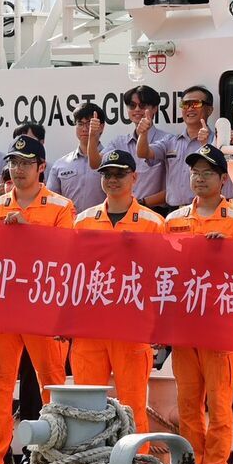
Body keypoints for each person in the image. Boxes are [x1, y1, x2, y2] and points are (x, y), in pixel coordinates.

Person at [0, 136, 75, 464]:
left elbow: (66, 255)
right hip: (3, 309)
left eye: (25, 163)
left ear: (41, 167)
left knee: (51, 383)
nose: (18, 169)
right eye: (14, 162)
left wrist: (28, 230)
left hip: (42, 308)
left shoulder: (61, 207)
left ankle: (56, 455)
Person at [164, 144, 233, 464]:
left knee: (219, 402)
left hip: (221, 326)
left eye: (207, 173)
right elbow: (161, 270)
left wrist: (227, 251)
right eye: (195, 173)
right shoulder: (173, 220)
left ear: (222, 180)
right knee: (188, 403)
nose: (199, 179)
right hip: (184, 326)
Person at [71, 150, 164, 432]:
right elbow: (70, 274)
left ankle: (136, 458)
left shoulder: (153, 223)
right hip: (90, 328)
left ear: (134, 177)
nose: (112, 179)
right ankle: (89, 460)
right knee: (85, 408)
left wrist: (160, 326)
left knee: (132, 406)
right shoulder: (82, 221)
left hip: (132, 328)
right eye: (107, 174)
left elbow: (163, 277)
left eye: (120, 174)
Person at [93, 85, 170, 212]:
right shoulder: (119, 142)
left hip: (155, 210)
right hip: (123, 210)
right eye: (132, 106)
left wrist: (141, 203)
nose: (137, 109)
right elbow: (95, 164)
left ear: (155, 108)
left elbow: (175, 188)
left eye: (143, 105)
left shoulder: (168, 140)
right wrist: (92, 137)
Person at [160, 86, 233, 210]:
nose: (190, 108)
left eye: (196, 103)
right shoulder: (171, 141)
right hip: (175, 211)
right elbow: (144, 153)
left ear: (209, 110)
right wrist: (143, 134)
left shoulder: (221, 140)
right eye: (185, 104)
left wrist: (205, 143)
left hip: (210, 208)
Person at [46, 102, 108, 213]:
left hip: (102, 222)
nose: (84, 129)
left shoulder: (111, 160)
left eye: (89, 123)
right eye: (80, 123)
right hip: (68, 223)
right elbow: (50, 201)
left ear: (101, 127)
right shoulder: (61, 164)